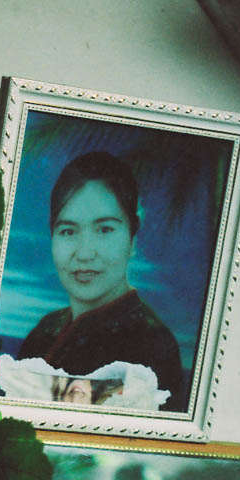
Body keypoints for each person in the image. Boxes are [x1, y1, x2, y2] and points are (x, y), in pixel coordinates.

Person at [18, 151, 184, 410]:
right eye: (68, 231)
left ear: (133, 238)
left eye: (105, 229)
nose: (84, 253)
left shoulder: (151, 348)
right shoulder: (45, 331)